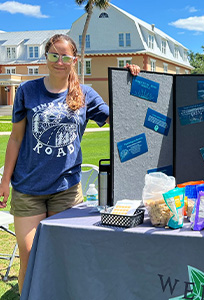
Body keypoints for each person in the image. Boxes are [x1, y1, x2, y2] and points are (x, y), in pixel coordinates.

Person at [0, 34, 140, 294]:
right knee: (29, 254)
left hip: (66, 191)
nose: (59, 61)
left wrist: (130, 82)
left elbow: (120, 117)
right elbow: (16, 138)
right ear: (46, 58)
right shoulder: (27, 91)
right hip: (28, 188)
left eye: (66, 57)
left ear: (74, 60)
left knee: (64, 255)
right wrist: (5, 180)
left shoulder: (84, 94)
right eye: (54, 55)